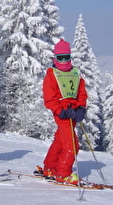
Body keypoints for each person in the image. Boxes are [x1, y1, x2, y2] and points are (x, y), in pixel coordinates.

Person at [41, 39, 88, 185]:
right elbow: (49, 96)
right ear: (55, 58)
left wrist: (81, 108)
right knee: (72, 144)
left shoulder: (75, 73)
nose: (63, 61)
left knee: (61, 140)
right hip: (63, 113)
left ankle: (50, 167)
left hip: (73, 112)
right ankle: (63, 173)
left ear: (70, 57)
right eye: (59, 57)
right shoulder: (52, 74)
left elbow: (81, 93)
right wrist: (60, 110)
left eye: (65, 57)